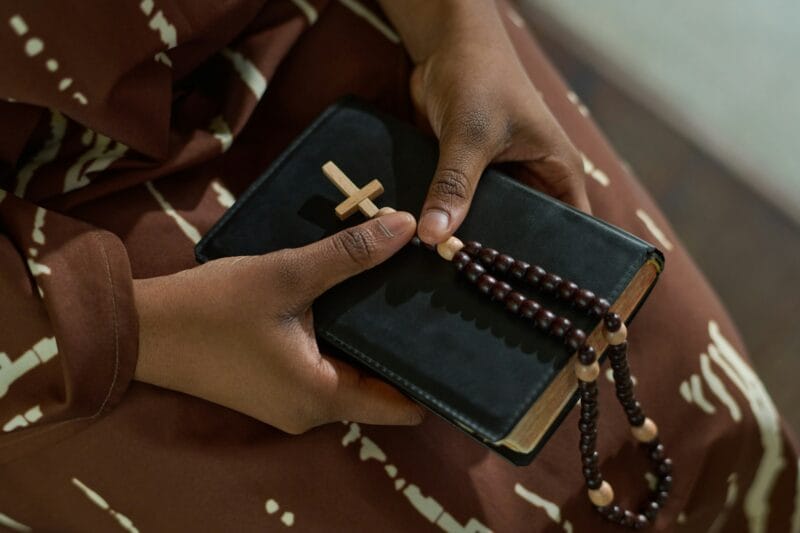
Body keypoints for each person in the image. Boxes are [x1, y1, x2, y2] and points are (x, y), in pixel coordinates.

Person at [0, 1, 796, 531]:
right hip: (52, 270)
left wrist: (461, 33)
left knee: (700, 398)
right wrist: (132, 330)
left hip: (321, 30)